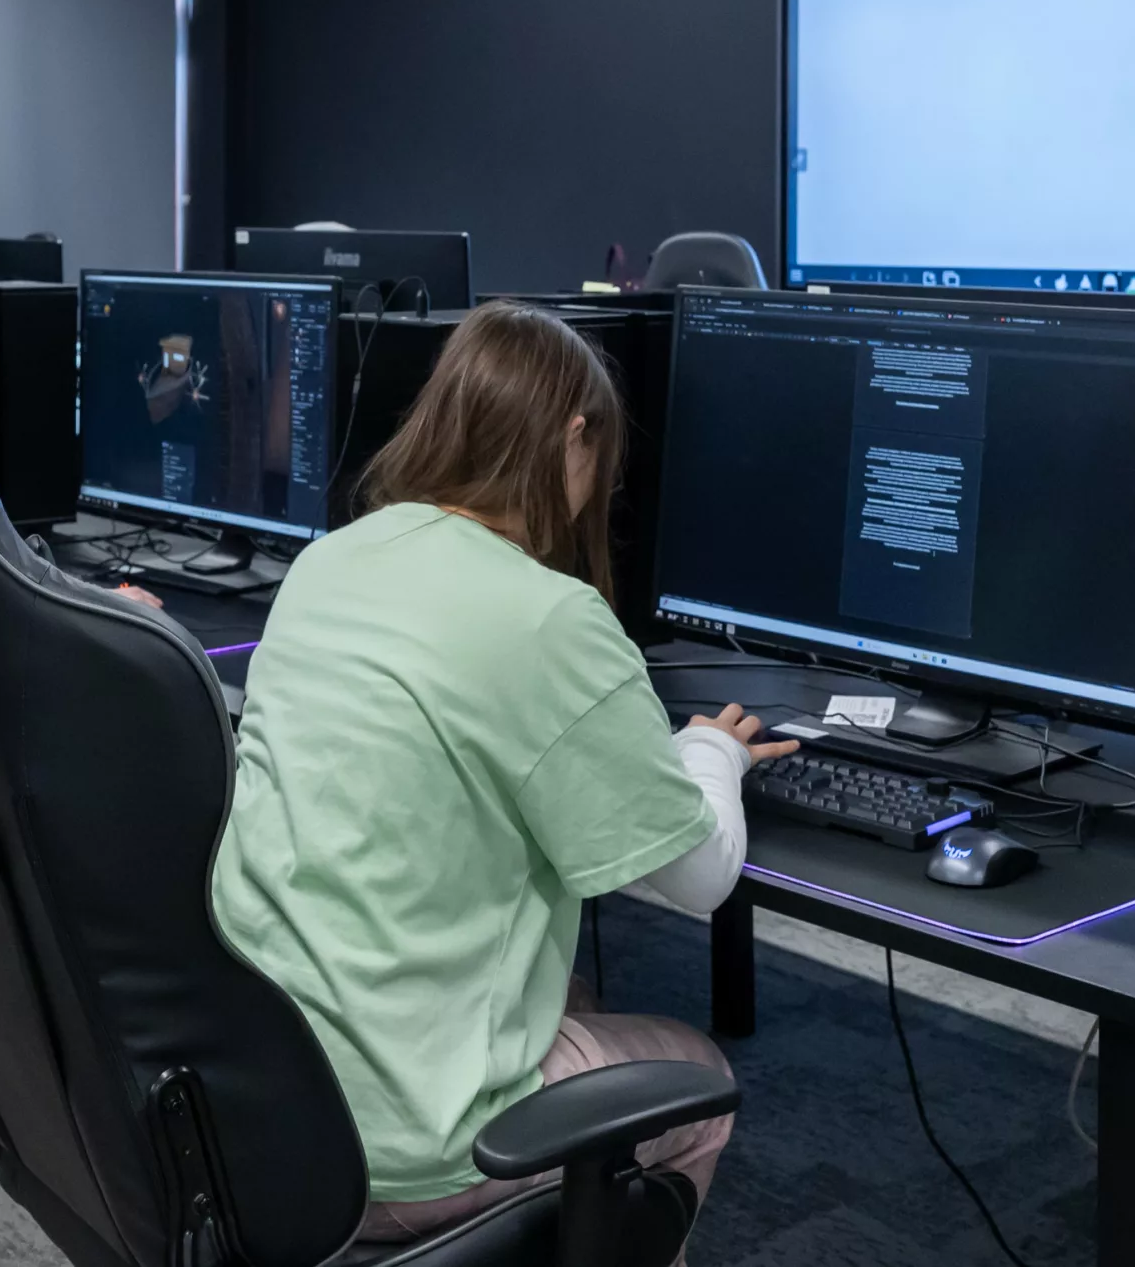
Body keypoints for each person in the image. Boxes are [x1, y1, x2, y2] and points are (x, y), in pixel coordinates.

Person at [207, 301, 794, 1243]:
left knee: (574, 1001)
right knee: (696, 1081)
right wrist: (711, 753)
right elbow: (696, 878)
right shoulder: (547, 616)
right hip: (403, 1142)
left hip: (260, 1085)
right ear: (575, 435)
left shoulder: (330, 559)